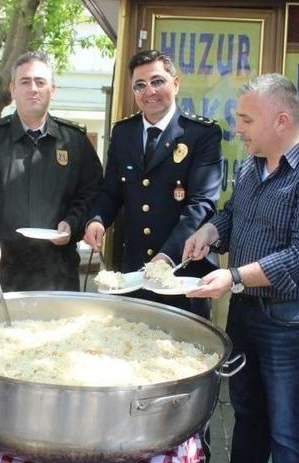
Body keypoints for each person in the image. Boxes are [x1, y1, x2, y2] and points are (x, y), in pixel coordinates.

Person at [183, 73, 299, 463]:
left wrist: (234, 277)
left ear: (281, 120)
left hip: (293, 320)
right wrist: (210, 232)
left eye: (246, 120)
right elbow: (233, 215)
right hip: (247, 313)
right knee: (248, 415)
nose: (237, 128)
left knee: (288, 428)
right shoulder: (251, 166)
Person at [83, 49, 223, 318]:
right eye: (140, 85)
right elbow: (112, 190)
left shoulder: (201, 134)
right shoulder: (124, 133)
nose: (149, 91)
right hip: (134, 273)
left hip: (183, 273)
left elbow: (202, 204)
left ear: (176, 83)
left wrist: (166, 258)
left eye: (157, 81)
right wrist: (97, 220)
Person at [0, 51, 103, 291]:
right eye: (25, 82)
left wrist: (73, 222)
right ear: (13, 89)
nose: (33, 89)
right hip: (3, 268)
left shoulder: (74, 141)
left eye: (41, 82)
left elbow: (92, 191)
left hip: (59, 269)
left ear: (52, 90)